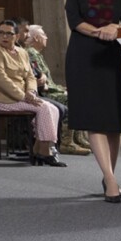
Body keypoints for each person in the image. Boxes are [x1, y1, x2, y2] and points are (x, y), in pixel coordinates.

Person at [65, 0, 121, 202]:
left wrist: (116, 28)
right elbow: (75, 21)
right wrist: (101, 31)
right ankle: (111, 179)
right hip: (84, 57)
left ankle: (109, 176)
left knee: (113, 121)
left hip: (111, 58)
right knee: (95, 118)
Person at [0, 19, 65, 167]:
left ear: (16, 36)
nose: (4, 36)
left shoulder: (22, 52)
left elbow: (30, 76)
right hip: (3, 100)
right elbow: (1, 80)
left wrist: (31, 92)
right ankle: (45, 152)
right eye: (1, 33)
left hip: (23, 98)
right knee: (44, 108)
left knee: (53, 108)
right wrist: (24, 97)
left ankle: (39, 148)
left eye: (9, 34)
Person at [25, 24, 89, 155]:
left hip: (48, 90)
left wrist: (61, 88)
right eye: (43, 35)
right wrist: (60, 91)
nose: (46, 37)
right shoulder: (31, 53)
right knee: (71, 99)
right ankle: (67, 142)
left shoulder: (37, 54)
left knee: (78, 96)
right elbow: (41, 81)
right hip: (41, 93)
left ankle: (79, 138)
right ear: (36, 38)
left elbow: (49, 81)